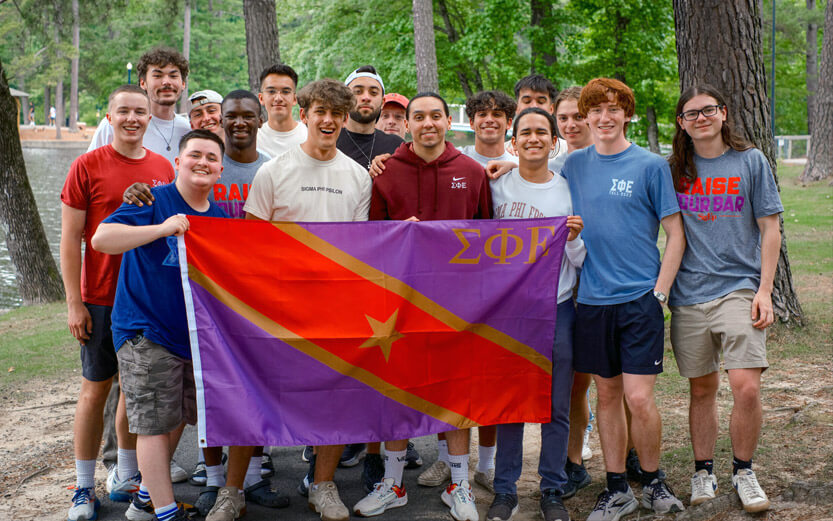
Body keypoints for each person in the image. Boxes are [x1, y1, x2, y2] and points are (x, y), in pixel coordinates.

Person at [353, 92, 490, 521]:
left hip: (456, 305)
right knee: (398, 390)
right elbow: (370, 239)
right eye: (418, 117)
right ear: (406, 124)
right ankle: (393, 483)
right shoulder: (386, 172)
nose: (427, 123)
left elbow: (488, 241)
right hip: (398, 305)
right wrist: (398, 233)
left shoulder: (471, 172)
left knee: (456, 394)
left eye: (435, 115)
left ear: (449, 121)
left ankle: (460, 484)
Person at [244, 78, 371, 521]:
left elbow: (358, 249)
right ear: (305, 116)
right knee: (253, 392)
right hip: (277, 306)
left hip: (333, 309)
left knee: (332, 398)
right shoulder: (273, 171)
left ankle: (323, 486)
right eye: (321, 112)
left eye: (337, 113)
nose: (329, 120)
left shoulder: (356, 177)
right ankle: (232, 489)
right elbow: (251, 244)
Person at [562, 78, 686, 520]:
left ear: (627, 114)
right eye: (595, 111)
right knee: (608, 396)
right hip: (592, 301)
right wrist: (496, 169)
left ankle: (653, 481)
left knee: (638, 398)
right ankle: (617, 488)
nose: (604, 117)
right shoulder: (573, 166)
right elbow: (533, 184)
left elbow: (675, 234)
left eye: (613, 109)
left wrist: (660, 292)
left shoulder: (651, 166)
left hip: (639, 300)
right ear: (586, 117)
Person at [90, 130, 228, 521]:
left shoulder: (217, 217)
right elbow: (102, 238)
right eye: (194, 154)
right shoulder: (153, 199)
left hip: (190, 337)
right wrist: (163, 228)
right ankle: (166, 512)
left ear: (220, 168)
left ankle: (146, 501)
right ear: (178, 162)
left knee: (177, 416)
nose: (202, 162)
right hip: (144, 330)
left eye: (210, 157)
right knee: (152, 422)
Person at [60, 85, 175, 521]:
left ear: (150, 118)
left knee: (134, 388)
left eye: (140, 112)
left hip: (146, 301)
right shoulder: (88, 165)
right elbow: (71, 240)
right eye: (123, 111)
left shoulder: (164, 166)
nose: (132, 118)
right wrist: (75, 302)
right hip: (102, 298)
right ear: (109, 117)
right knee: (96, 389)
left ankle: (126, 474)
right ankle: (84, 487)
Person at [668, 85, 781, 514]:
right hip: (688, 294)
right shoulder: (674, 168)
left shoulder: (750, 161)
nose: (701, 118)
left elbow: (770, 228)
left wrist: (765, 290)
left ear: (723, 113)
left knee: (746, 388)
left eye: (708, 110)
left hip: (739, 289)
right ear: (681, 122)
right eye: (692, 113)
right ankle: (703, 471)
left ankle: (744, 471)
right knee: (702, 388)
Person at [485, 107, 585, 521]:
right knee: (511, 402)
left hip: (556, 306)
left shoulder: (566, 190)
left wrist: (574, 240)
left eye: (541, 132)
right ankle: (504, 490)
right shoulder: (494, 187)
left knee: (555, 403)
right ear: (513, 140)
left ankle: (552, 489)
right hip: (509, 311)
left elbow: (580, 260)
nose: (533, 139)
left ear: (553, 140)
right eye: (525, 132)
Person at [87, 47, 191, 168]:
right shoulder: (116, 124)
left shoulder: (188, 129)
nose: (166, 82)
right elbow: (89, 170)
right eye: (158, 76)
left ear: (183, 84)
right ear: (143, 83)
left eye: (173, 76)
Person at [337, 65, 403, 170]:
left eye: (373, 93)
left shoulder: (397, 146)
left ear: (382, 102)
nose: (366, 98)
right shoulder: (330, 141)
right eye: (358, 91)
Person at [257, 63, 308, 158]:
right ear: (261, 98)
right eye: (271, 91)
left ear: (294, 99)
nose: (278, 98)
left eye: (285, 92)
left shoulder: (309, 136)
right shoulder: (254, 139)